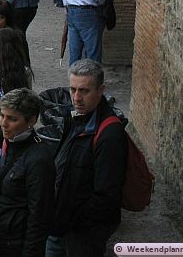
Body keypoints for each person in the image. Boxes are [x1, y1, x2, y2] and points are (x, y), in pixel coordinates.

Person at [46, 59, 127, 257]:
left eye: (84, 91)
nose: (76, 97)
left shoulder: (110, 134)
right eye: (73, 89)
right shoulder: (73, 117)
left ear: (101, 90)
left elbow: (106, 196)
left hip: (83, 232)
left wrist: (72, 219)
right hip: (60, 223)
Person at [0, 88, 55, 257]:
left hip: (15, 243)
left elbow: (39, 216)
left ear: (31, 120)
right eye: (2, 116)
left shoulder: (39, 159)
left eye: (12, 119)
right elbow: (7, 173)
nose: (3, 123)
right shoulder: (11, 141)